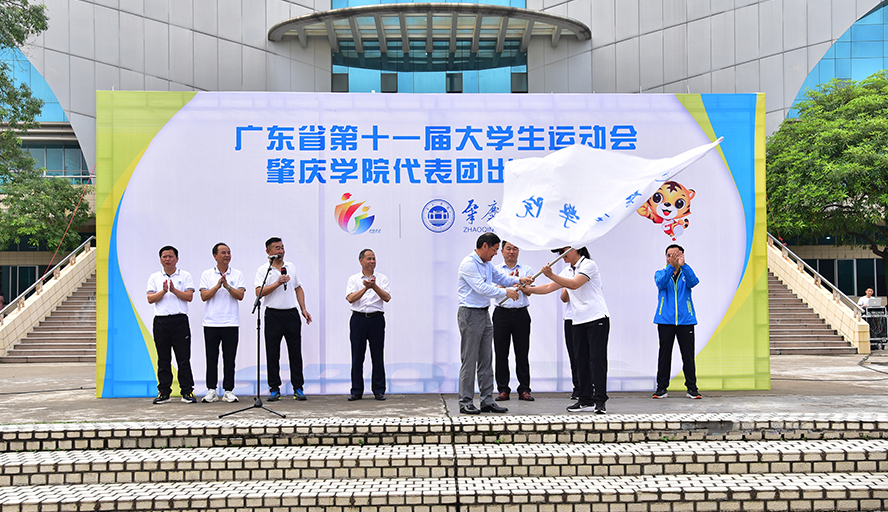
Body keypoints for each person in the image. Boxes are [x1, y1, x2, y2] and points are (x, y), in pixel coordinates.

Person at [525, 246, 610, 414]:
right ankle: (585, 400)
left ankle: (600, 401)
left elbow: (574, 284)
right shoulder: (567, 270)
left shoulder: (589, 265)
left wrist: (550, 274)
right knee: (580, 361)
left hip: (596, 318)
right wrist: (528, 290)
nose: (561, 255)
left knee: (596, 360)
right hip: (578, 320)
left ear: (576, 249)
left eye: (563, 251)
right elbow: (548, 287)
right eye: (559, 252)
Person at [457, 233, 533, 414]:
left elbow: (502, 278)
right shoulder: (469, 263)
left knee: (486, 359)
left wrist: (519, 280)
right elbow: (481, 288)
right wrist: (506, 292)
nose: (496, 254)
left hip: (484, 314)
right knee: (470, 359)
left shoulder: (487, 264)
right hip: (470, 314)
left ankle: (487, 400)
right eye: (495, 250)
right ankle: (466, 401)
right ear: (485, 246)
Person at [255, 237, 313, 401]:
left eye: (282, 248)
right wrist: (277, 283)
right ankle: (274, 388)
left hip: (291, 314)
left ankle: (298, 388)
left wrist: (303, 309)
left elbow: (298, 288)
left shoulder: (290, 267)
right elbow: (259, 292)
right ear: (268, 251)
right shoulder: (264, 270)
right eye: (277, 248)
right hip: (273, 314)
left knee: (295, 353)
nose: (281, 251)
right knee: (272, 353)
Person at [146, 246, 196, 404]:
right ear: (160, 259)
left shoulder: (185, 275)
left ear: (177, 259)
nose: (167, 259)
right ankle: (164, 392)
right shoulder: (154, 277)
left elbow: (189, 297)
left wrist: (174, 290)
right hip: (161, 321)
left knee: (183, 358)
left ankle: (187, 391)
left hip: (179, 321)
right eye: (164, 256)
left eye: (170, 256)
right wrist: (163, 291)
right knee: (163, 359)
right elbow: (150, 298)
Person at [652, 244, 701, 400]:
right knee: (664, 355)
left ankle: (692, 388)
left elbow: (694, 282)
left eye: (675, 255)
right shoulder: (661, 273)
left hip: (686, 321)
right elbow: (661, 283)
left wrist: (683, 265)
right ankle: (661, 388)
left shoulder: (686, 273)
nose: (671, 258)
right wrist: (670, 267)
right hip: (665, 320)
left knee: (688, 356)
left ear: (682, 255)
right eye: (669, 255)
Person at [199, 242, 245, 403]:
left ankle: (228, 390)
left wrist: (227, 286)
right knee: (211, 358)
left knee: (229, 358)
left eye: (229, 252)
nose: (227, 255)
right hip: (211, 323)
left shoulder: (237, 274)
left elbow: (240, 295)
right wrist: (217, 286)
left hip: (230, 323)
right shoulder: (207, 274)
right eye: (223, 253)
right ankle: (211, 390)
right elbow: (204, 296)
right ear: (215, 256)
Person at [345, 248, 391, 401]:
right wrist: (366, 287)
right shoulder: (354, 279)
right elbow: (350, 298)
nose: (372, 261)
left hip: (376, 319)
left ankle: (379, 390)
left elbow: (387, 297)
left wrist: (374, 286)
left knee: (377, 355)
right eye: (369, 259)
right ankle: (356, 390)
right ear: (361, 261)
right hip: (358, 319)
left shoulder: (382, 278)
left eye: (374, 258)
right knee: (357, 356)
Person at [493, 241, 534, 402]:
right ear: (502, 251)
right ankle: (503, 389)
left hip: (521, 314)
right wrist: (507, 283)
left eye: (515, 248)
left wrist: (520, 284)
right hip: (501, 314)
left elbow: (529, 292)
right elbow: (492, 290)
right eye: (508, 248)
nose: (512, 251)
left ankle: (524, 389)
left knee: (522, 353)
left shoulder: (526, 269)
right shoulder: (495, 270)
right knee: (501, 353)